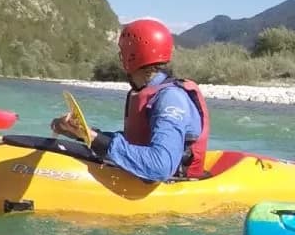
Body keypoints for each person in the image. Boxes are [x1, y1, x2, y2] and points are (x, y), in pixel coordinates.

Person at [51, 18, 211, 183]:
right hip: (141, 175)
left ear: (132, 56)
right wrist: (81, 132)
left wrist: (94, 138)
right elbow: (135, 141)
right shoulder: (145, 92)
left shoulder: (170, 99)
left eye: (123, 52)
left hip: (168, 183)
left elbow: (160, 166)